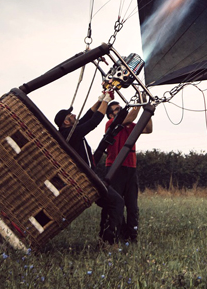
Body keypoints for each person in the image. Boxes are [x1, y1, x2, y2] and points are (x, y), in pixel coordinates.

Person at [55, 93, 124, 245]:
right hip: (86, 179)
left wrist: (102, 98)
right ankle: (109, 241)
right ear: (67, 121)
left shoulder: (68, 132)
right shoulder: (69, 134)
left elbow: (87, 115)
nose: (74, 115)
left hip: (87, 177)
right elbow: (93, 122)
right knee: (117, 202)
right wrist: (106, 101)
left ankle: (105, 237)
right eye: (71, 115)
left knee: (110, 203)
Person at [100, 101, 152, 243]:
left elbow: (148, 129)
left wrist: (148, 111)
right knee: (116, 203)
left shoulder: (130, 125)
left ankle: (131, 236)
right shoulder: (111, 124)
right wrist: (141, 104)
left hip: (130, 168)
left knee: (132, 205)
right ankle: (115, 235)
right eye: (117, 109)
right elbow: (129, 118)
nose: (120, 110)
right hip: (114, 168)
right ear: (111, 115)